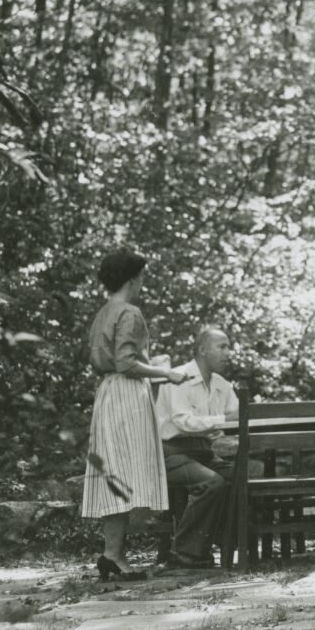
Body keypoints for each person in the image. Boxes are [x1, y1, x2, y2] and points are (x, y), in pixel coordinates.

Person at [78, 248, 195, 582]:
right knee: (124, 471)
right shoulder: (129, 312)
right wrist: (166, 374)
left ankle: (112, 554)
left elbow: (112, 359)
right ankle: (113, 554)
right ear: (133, 279)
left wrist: (152, 362)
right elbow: (127, 363)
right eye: (141, 277)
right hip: (127, 396)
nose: (142, 283)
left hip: (108, 394)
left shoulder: (103, 313)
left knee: (116, 472)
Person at [151, 324, 239, 570]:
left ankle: (224, 543)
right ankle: (183, 553)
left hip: (201, 452)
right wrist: (223, 421)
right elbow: (182, 422)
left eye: (229, 347)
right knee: (212, 482)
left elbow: (238, 416)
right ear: (202, 349)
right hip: (170, 452)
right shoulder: (178, 378)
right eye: (222, 347)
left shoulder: (222, 385)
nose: (228, 353)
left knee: (237, 475)